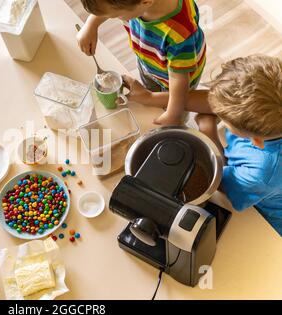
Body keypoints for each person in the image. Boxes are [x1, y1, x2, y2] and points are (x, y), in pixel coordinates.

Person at [124, 55, 282, 235]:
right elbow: (212, 101)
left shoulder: (262, 173)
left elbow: (223, 186)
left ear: (255, 140)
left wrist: (208, 130)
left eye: (224, 117)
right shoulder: (268, 114)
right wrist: (149, 97)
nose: (215, 109)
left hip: (264, 216)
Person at [77, 0, 206, 125]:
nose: (114, 17)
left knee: (174, 109)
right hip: (150, 63)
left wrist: (173, 114)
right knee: (153, 101)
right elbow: (109, 5)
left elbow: (178, 82)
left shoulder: (180, 34)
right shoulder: (136, 4)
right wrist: (91, 25)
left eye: (116, 16)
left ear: (146, 2)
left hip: (178, 81)